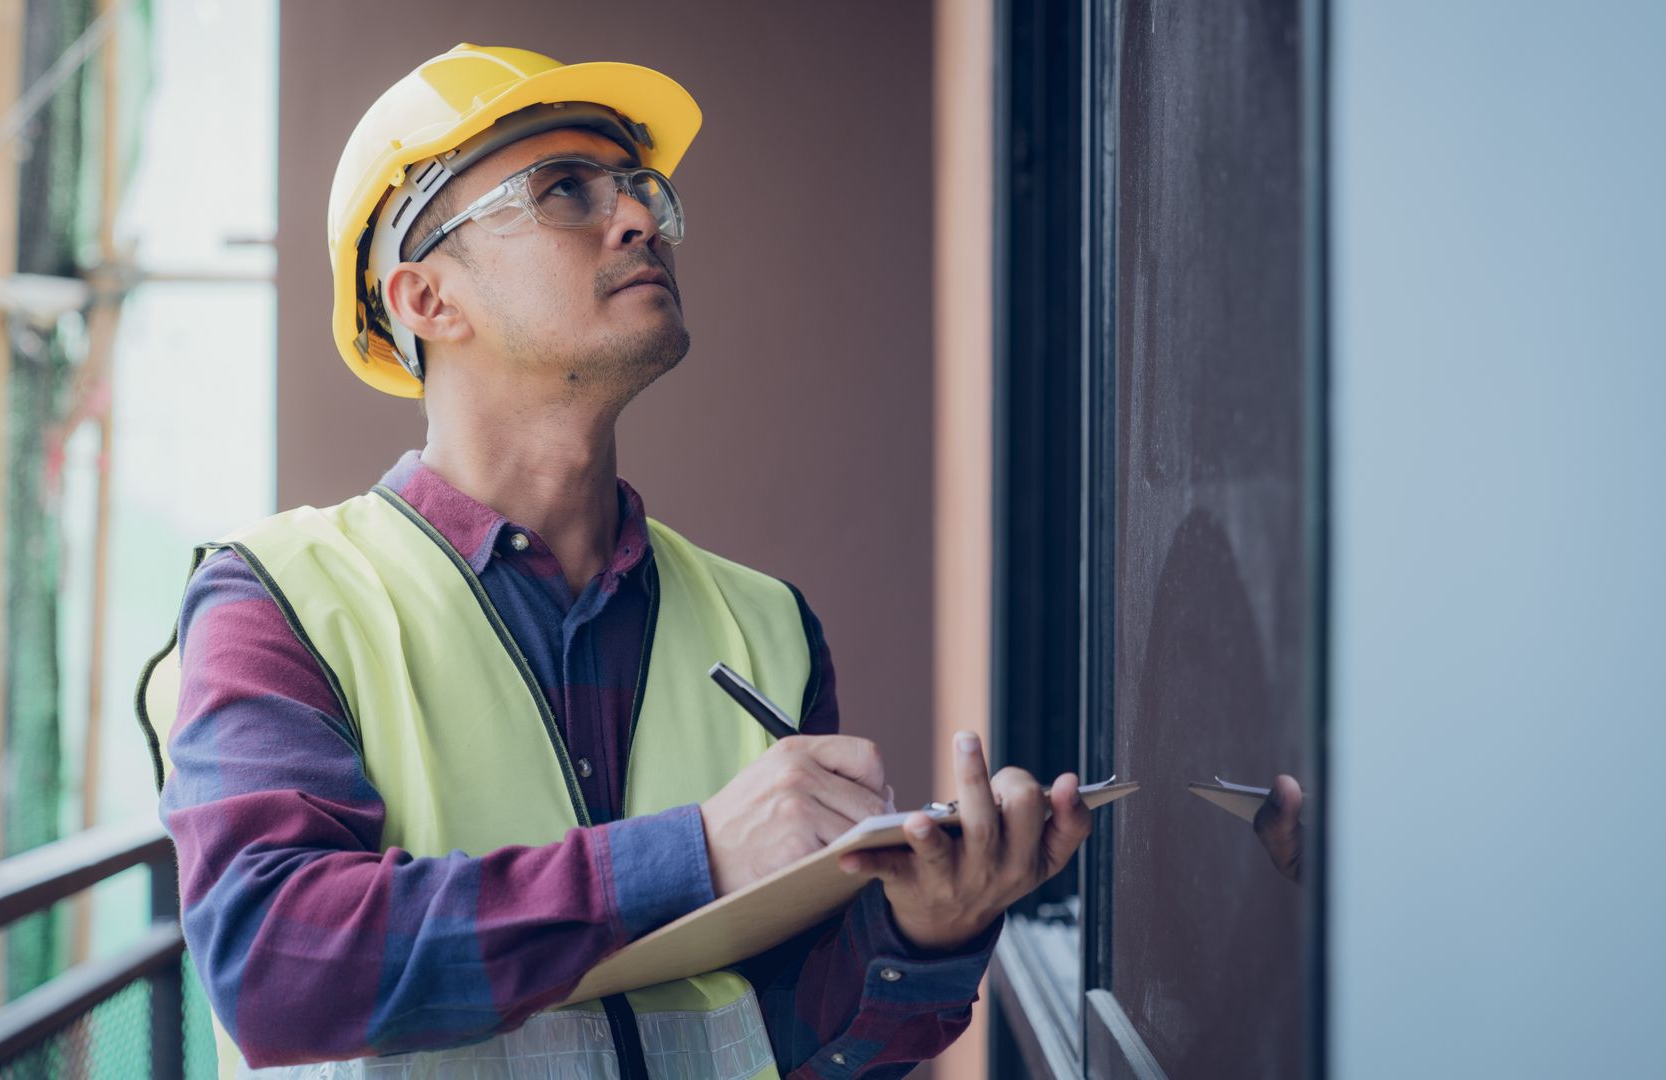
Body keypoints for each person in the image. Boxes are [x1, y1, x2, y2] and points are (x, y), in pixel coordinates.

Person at [135, 44, 1092, 1079]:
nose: (639, 218)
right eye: (564, 192)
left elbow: (796, 1042)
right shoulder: (277, 602)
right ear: (425, 300)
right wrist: (698, 855)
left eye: (639, 189)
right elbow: (275, 962)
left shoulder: (767, 626)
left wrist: (923, 936)